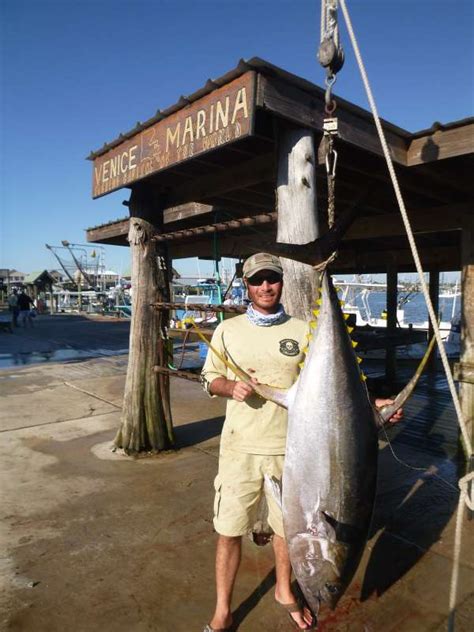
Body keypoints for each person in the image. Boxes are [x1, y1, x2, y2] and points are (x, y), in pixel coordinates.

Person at [201, 253, 402, 632]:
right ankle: (223, 609)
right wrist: (229, 386)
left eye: (272, 279)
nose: (265, 286)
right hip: (240, 448)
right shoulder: (228, 330)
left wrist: (373, 405)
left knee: (285, 532)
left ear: (281, 282)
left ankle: (284, 591)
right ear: (246, 285)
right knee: (228, 531)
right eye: (257, 280)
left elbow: (332, 389)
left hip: (292, 449)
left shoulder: (301, 330)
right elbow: (208, 378)